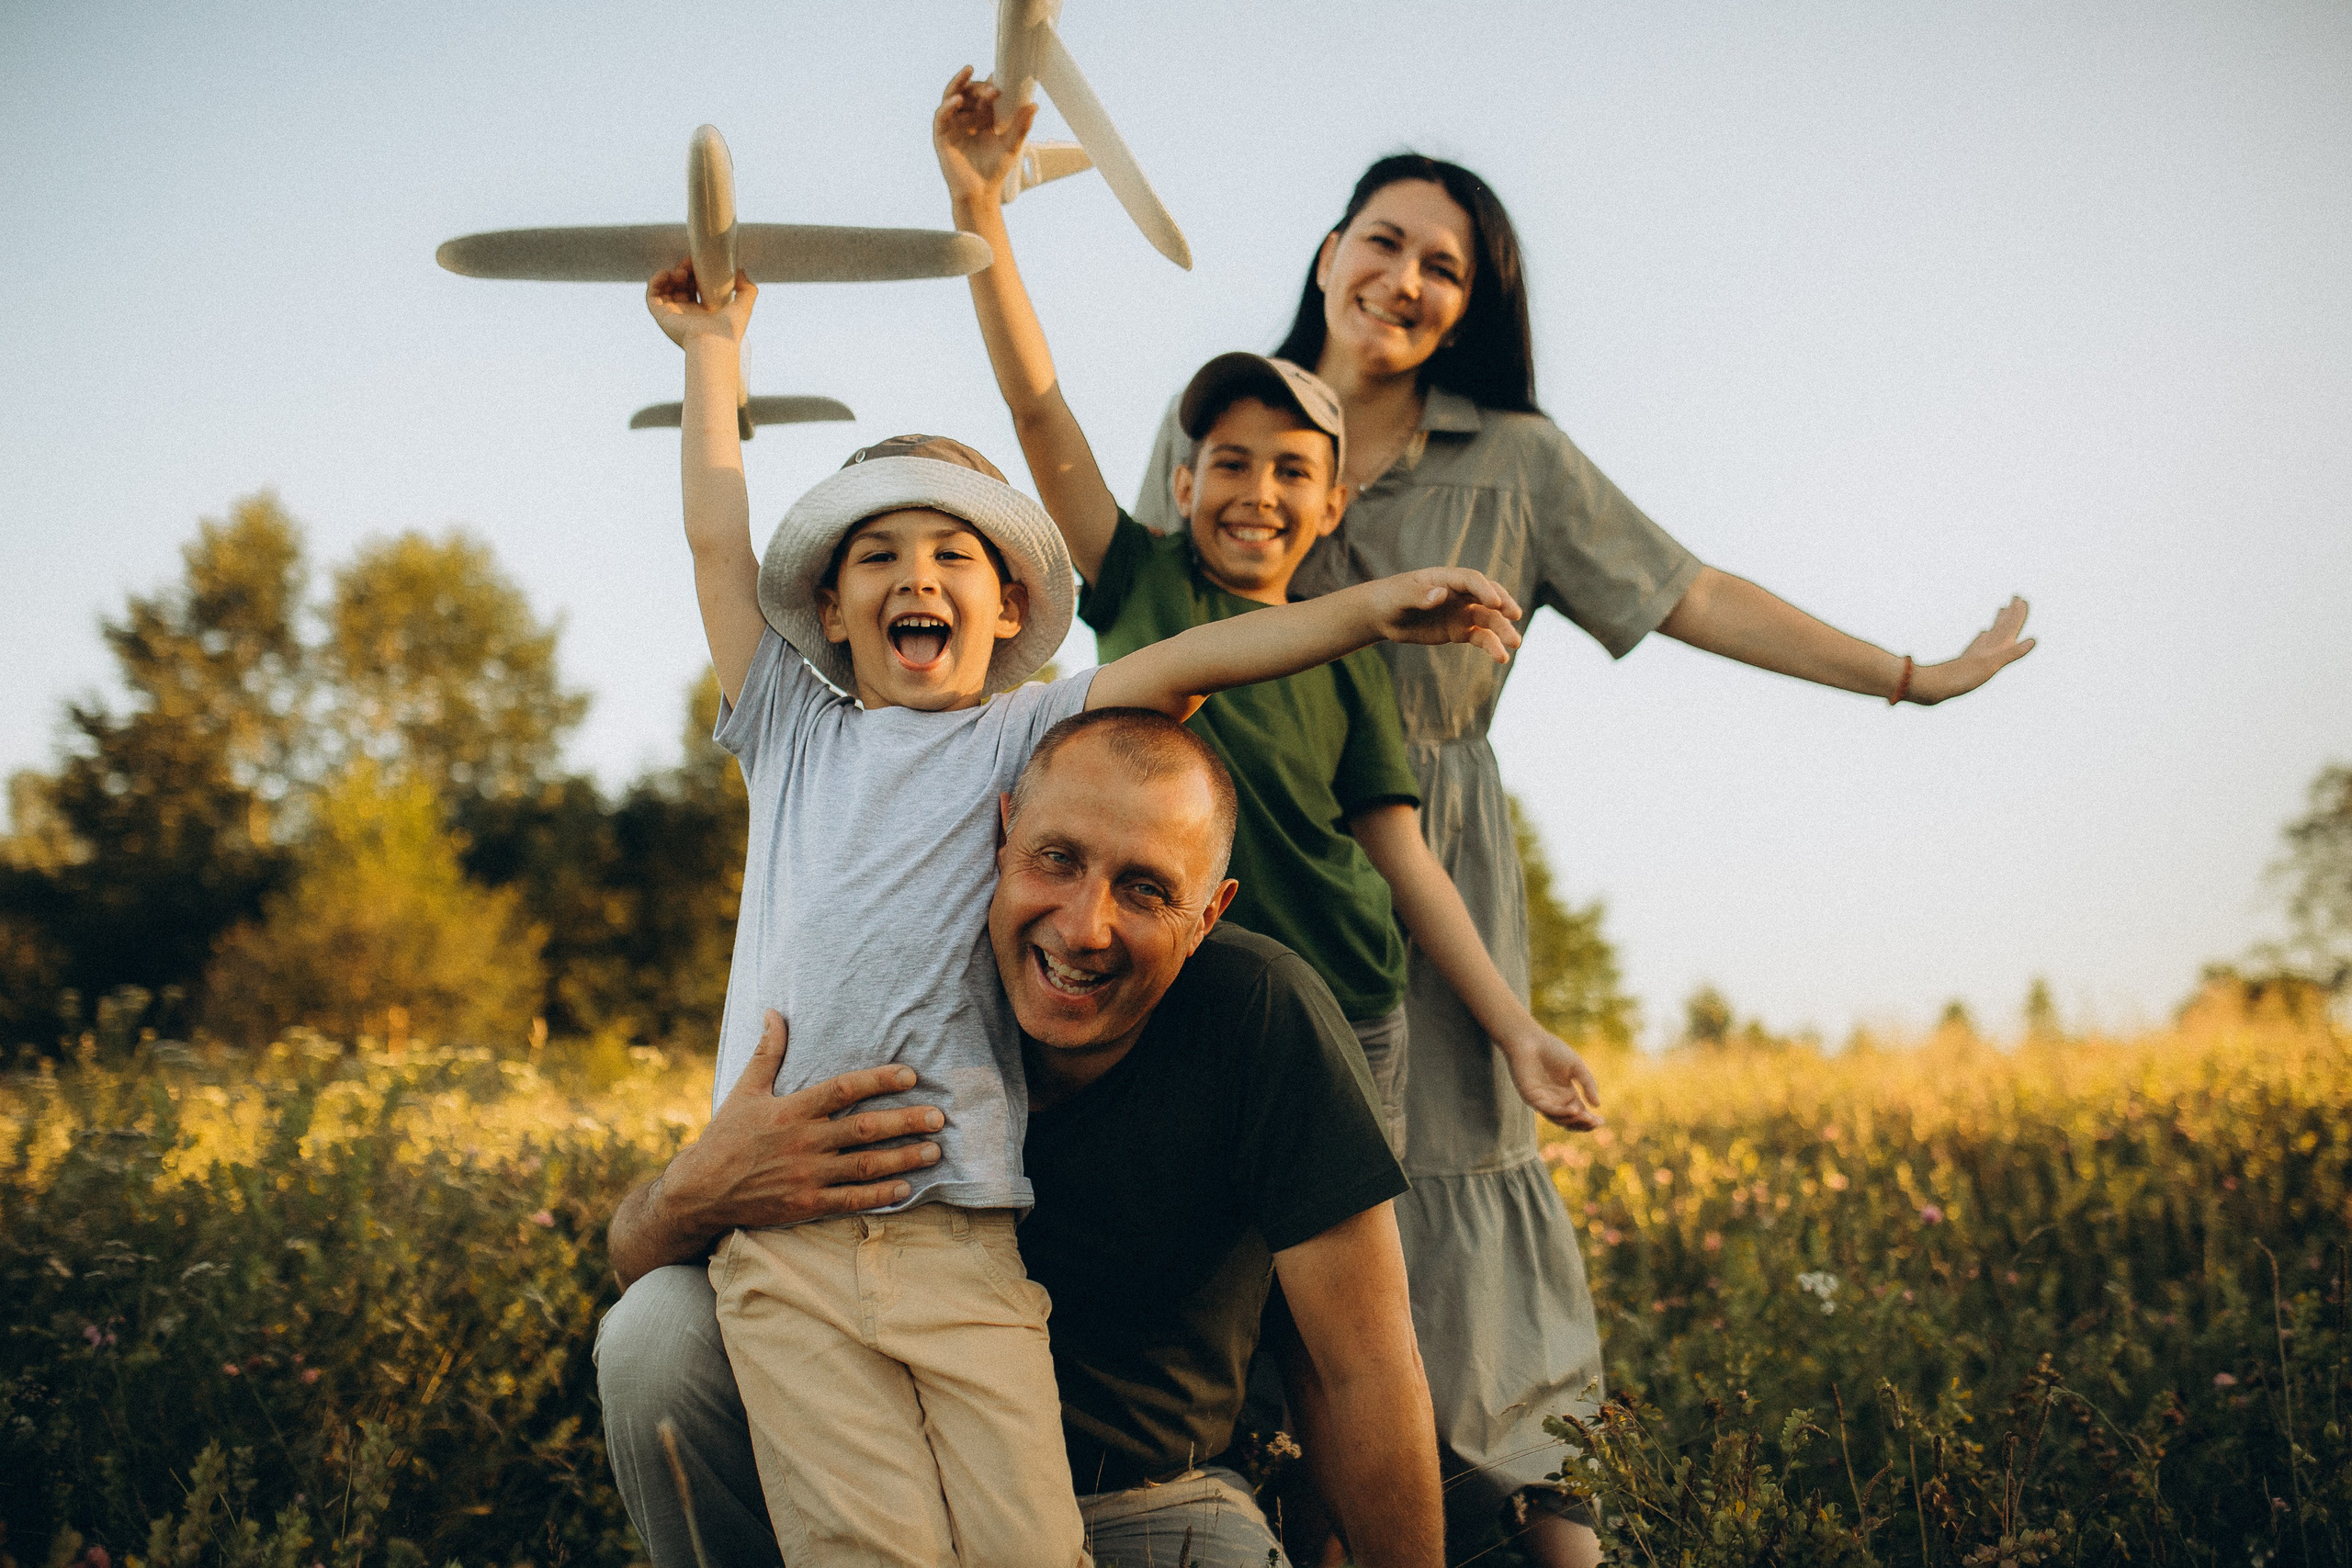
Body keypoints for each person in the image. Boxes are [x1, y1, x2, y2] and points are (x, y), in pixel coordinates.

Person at [1131, 155, 2038, 1566]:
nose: (1405, 280)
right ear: (1326, 252)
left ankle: (1518, 1517)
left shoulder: (1515, 458)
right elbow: (1138, 618)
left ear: (1472, 304)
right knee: (1231, 1191)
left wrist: (1907, 675)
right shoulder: (1223, 419)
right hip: (1229, 845)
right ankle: (1268, 1505)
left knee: (1444, 1183)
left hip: (1422, 859)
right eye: (1384, 242)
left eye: (1445, 267)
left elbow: (1691, 589)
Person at [641, 254, 1516, 1563]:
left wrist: (1370, 611)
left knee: (1029, 1542)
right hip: (795, 1239)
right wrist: (714, 351)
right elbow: (719, 539)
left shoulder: (1027, 738)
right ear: (829, 603)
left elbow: (1203, 656)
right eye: (877, 554)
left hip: (967, 1237)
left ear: (1008, 609)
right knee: (866, 1545)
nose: (915, 575)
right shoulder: (789, 731)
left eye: (954, 553)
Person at [932, 70, 1605, 1165]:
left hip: (1346, 1003)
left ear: (1332, 505)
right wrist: (979, 212)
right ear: (1183, 482)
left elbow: (1402, 857)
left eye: (1293, 470)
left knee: (1332, 1251)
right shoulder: (1137, 576)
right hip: (1162, 986)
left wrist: (1515, 1028)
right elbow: (1035, 405)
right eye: (1230, 462)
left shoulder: (1347, 647)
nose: (1258, 491)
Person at [598, 708, 1446, 1567]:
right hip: (863, 1461)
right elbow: (633, 1258)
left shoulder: (1260, 1011)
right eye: (1059, 858)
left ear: (1207, 915)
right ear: (1003, 839)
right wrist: (693, 1192)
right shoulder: (894, 974)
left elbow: (1363, 1369)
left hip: (1145, 1496)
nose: (1083, 927)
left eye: (1146, 889)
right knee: (654, 1334)